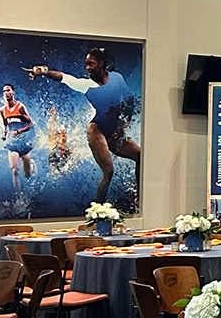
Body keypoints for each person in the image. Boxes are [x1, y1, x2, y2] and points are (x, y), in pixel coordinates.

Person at [27, 46, 141, 205]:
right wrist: (44, 72)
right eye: (86, 64)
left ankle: (139, 199)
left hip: (114, 133)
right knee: (109, 171)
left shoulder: (117, 78)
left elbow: (129, 100)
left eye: (91, 64)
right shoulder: (86, 85)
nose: (87, 68)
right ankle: (98, 211)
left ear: (101, 64)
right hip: (96, 130)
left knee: (140, 156)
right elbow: (64, 77)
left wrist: (125, 122)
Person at [0, 82, 35, 202]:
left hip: (23, 142)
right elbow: (6, 126)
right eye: (4, 91)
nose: (6, 93)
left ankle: (31, 163)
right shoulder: (2, 110)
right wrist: (4, 133)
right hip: (12, 144)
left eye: (8, 90)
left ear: (13, 92)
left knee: (27, 174)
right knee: (14, 170)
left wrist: (19, 131)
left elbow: (31, 124)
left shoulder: (20, 107)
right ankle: (20, 197)